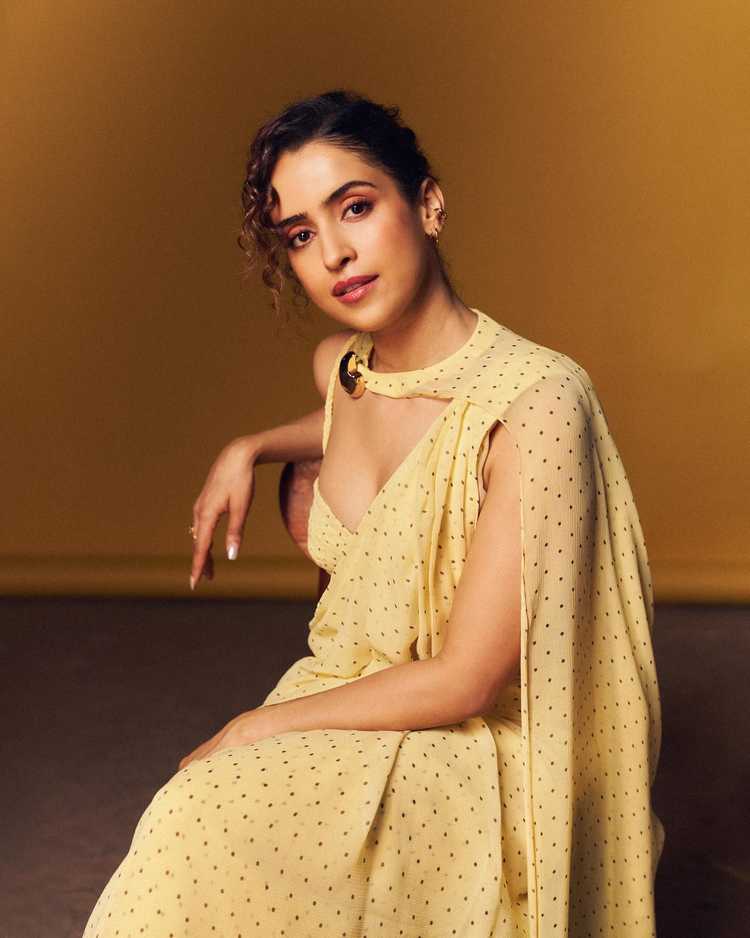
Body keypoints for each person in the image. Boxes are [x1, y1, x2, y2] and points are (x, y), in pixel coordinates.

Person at [82, 89, 665, 938]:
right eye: (301, 235)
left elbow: (467, 680)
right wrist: (251, 445)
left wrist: (254, 727)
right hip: (352, 699)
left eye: (355, 207)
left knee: (205, 813)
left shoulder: (539, 404)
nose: (335, 254)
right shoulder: (344, 368)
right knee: (196, 820)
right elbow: (372, 408)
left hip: (478, 747)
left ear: (428, 205)